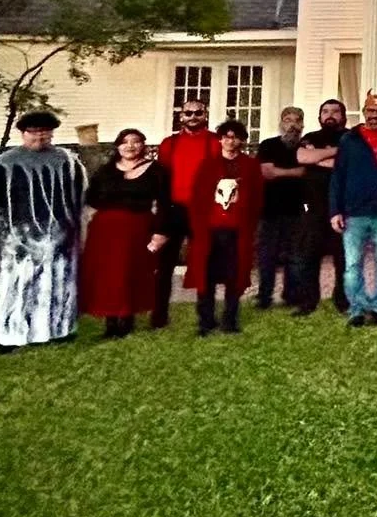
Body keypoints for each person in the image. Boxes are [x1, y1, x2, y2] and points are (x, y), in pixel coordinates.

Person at [0, 110, 85, 352]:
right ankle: (8, 335)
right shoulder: (3, 165)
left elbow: (78, 198)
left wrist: (73, 230)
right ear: (23, 133)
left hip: (60, 238)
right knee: (15, 287)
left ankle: (56, 330)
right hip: (18, 241)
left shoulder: (68, 162)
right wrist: (3, 237)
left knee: (57, 284)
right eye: (34, 132)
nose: (39, 136)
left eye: (45, 132)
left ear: (52, 133)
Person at [80, 128, 170, 338]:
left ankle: (127, 320)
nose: (130, 146)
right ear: (118, 146)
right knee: (107, 276)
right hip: (105, 231)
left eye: (135, 141)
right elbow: (91, 198)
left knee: (130, 274)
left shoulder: (157, 170)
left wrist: (160, 232)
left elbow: (165, 204)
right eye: (125, 142)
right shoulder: (105, 171)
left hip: (137, 229)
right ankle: (110, 322)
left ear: (143, 145)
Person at [330, 90, 377, 327]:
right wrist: (335, 211)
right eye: (371, 110)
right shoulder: (349, 139)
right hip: (354, 212)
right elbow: (338, 176)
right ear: (364, 111)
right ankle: (357, 308)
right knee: (352, 265)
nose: (375, 115)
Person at [185, 119, 264, 336]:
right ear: (220, 139)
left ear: (242, 140)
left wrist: (251, 224)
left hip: (237, 230)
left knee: (234, 276)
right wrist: (197, 227)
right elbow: (197, 197)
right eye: (227, 137)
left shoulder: (250, 166)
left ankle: (230, 319)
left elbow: (257, 198)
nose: (231, 141)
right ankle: (206, 320)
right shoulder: (208, 165)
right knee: (206, 276)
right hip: (210, 230)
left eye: (235, 137)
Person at [152, 98, 219, 328]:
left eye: (198, 113)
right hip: (173, 210)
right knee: (164, 265)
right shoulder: (169, 144)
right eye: (188, 113)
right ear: (181, 116)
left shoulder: (215, 142)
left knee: (204, 264)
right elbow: (161, 179)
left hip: (203, 211)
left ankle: (206, 317)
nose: (193, 117)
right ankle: (159, 317)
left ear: (205, 115)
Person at [292, 98, 349, 315]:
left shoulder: (351, 137)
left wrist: (317, 157)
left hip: (343, 208)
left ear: (343, 117)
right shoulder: (310, 137)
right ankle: (308, 302)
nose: (330, 115)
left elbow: (349, 164)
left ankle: (342, 300)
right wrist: (336, 152)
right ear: (319, 117)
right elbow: (302, 157)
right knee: (309, 256)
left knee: (343, 258)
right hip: (313, 206)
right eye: (325, 111)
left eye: (335, 111)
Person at [255, 105, 306, 310]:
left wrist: (280, 172)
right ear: (281, 123)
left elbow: (277, 172)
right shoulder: (269, 145)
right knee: (267, 256)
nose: (292, 125)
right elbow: (267, 173)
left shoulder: (305, 147)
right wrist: (297, 172)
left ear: (302, 125)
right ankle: (264, 297)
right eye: (288, 120)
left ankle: (291, 296)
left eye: (297, 121)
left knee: (295, 256)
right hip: (269, 210)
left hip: (296, 209)